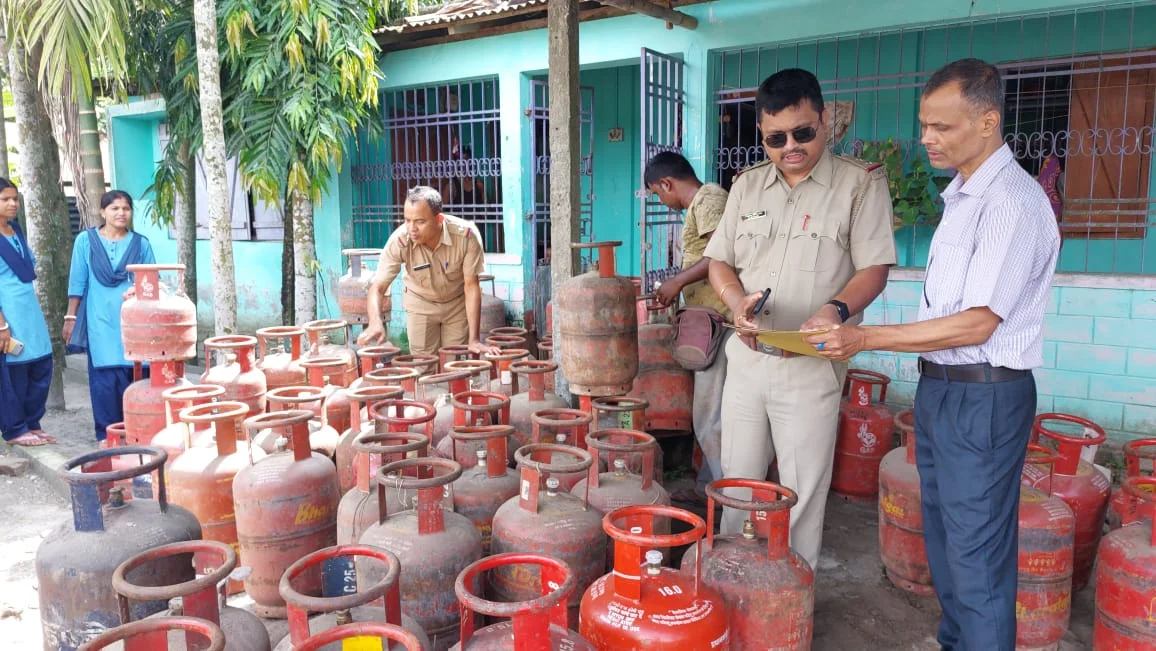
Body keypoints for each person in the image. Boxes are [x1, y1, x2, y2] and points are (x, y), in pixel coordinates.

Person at [807, 58, 1060, 651]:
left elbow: (978, 322)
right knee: (947, 539)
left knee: (976, 554)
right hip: (944, 389)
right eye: (924, 124)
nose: (926, 138)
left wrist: (865, 338)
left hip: (985, 394)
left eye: (942, 126)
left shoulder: (1010, 202)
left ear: (988, 122)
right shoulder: (964, 199)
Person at [703, 68, 897, 570]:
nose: (790, 147)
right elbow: (719, 260)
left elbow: (874, 268)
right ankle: (734, 583)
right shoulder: (746, 186)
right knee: (735, 487)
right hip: (747, 363)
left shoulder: (859, 184)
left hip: (810, 367)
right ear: (762, 134)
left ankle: (791, 597)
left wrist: (835, 310)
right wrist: (734, 298)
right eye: (776, 138)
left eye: (802, 133)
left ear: (825, 120)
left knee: (800, 496)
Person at [644, 151, 730, 504]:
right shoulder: (700, 205)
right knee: (713, 416)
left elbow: (720, 256)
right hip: (707, 322)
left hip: (720, 323)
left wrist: (677, 282)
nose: (661, 202)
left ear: (667, 184)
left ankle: (727, 498)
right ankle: (711, 487)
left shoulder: (709, 199)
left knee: (710, 417)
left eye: (657, 194)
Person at [358, 186, 500, 357]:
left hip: (456, 305)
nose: (412, 228)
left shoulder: (466, 237)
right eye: (407, 220)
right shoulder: (400, 241)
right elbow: (378, 287)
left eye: (420, 221)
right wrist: (374, 321)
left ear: (438, 219)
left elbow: (471, 286)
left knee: (454, 364)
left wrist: (474, 339)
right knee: (423, 363)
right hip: (420, 304)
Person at [63, 190, 156, 441]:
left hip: (134, 323)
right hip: (100, 320)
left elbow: (151, 281)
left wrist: (139, 291)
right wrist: (71, 317)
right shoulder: (85, 240)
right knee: (104, 378)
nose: (121, 213)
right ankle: (107, 435)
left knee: (137, 375)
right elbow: (77, 282)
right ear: (102, 212)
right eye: (115, 208)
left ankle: (138, 432)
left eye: (126, 208)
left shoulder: (141, 244)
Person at [0, 179, 55, 447]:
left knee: (42, 362)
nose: (13, 204)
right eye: (5, 199)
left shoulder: (16, 229)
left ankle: (32, 422)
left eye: (15, 198)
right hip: (6, 312)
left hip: (28, 309)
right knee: (13, 371)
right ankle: (15, 429)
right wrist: (1, 324)